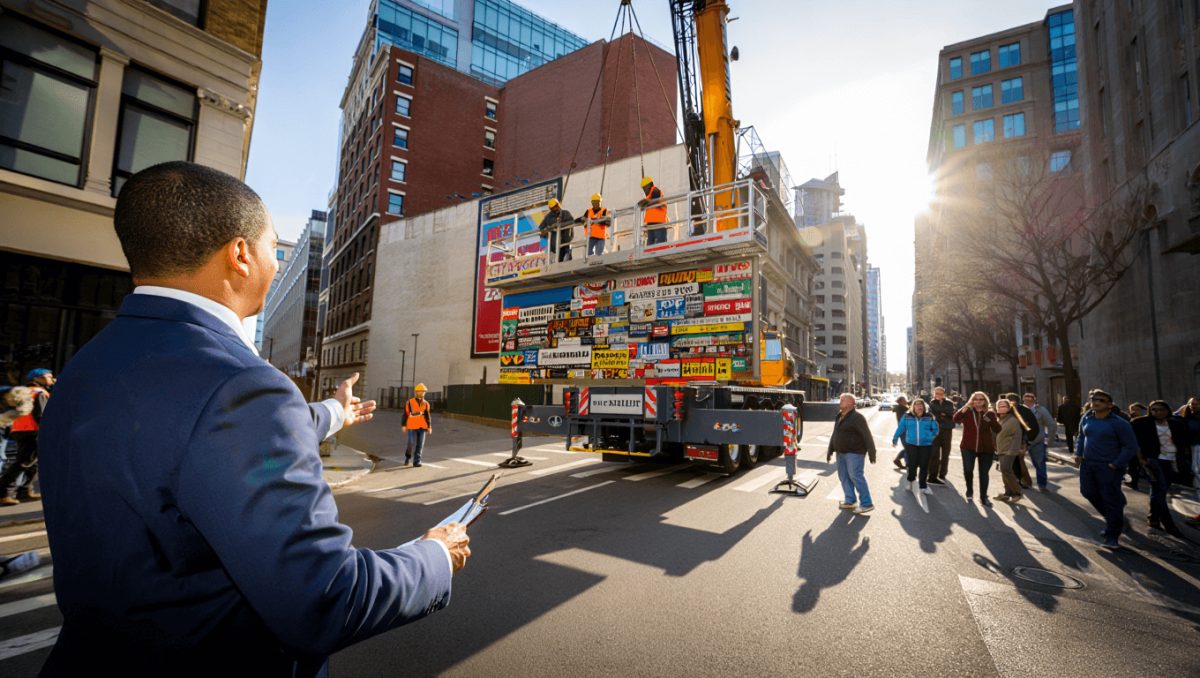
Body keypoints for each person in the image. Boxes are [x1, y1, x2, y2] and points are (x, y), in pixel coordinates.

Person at [37, 161, 471, 675]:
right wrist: (433, 556)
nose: (273, 256)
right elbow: (324, 599)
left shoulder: (86, 368)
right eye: (272, 245)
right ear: (241, 255)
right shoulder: (241, 384)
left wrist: (332, 412)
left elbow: (190, 442)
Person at [1074, 389, 1138, 549]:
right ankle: (1116, 520)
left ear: (1109, 405)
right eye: (1094, 400)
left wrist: (1116, 463)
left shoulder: (1119, 423)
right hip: (1088, 464)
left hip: (1109, 466)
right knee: (1088, 492)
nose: (1096, 402)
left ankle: (1112, 536)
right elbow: (1081, 436)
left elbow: (1130, 446)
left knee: (1110, 499)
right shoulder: (1086, 417)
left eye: (1101, 400)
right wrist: (1079, 453)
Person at [1131, 401, 1188, 536]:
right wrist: (1141, 459)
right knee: (1160, 489)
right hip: (1154, 460)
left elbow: (1183, 441)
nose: (1157, 412)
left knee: (1158, 490)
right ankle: (1169, 524)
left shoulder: (1176, 424)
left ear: (1167, 410)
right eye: (1154, 410)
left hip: (1171, 460)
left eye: (1161, 409)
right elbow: (1135, 442)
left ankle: (1153, 517)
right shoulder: (1141, 423)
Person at [0, 368, 54, 505]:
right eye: (49, 376)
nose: (52, 379)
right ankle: (4, 492)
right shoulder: (39, 393)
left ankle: (24, 491)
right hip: (33, 431)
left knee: (32, 462)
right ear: (38, 378)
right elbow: (41, 416)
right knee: (24, 462)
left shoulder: (24, 391)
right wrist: (47, 431)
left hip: (19, 430)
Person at [826, 393, 877, 514]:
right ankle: (850, 500)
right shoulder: (839, 416)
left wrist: (872, 452)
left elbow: (867, 435)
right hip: (841, 452)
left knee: (855, 476)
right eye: (840, 399)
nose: (840, 401)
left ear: (850, 403)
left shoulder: (857, 417)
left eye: (843, 400)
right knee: (843, 477)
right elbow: (835, 434)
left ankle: (867, 503)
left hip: (854, 453)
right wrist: (830, 450)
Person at [954, 391, 1002, 506]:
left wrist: (990, 420)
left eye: (981, 399)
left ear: (985, 401)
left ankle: (983, 496)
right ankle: (969, 490)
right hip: (968, 447)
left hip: (986, 448)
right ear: (972, 401)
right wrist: (965, 407)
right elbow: (955, 419)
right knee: (968, 470)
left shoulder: (990, 414)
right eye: (976, 399)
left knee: (984, 473)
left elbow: (997, 429)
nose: (978, 401)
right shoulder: (968, 412)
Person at [892, 398, 939, 496]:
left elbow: (935, 429)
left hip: (926, 445)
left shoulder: (929, 416)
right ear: (913, 406)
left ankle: (923, 486)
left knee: (924, 466)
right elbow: (901, 428)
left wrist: (930, 437)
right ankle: (910, 481)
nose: (919, 406)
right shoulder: (907, 416)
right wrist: (895, 439)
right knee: (912, 464)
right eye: (917, 404)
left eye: (921, 404)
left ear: (924, 406)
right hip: (911, 444)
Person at [993, 398, 1027, 503]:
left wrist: (1013, 450)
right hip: (1001, 449)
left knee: (1006, 469)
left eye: (1004, 406)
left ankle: (1018, 492)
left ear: (1008, 408)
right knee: (1004, 471)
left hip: (1009, 450)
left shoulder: (1012, 420)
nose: (1001, 408)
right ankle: (1008, 493)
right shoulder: (1000, 419)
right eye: (999, 406)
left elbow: (1017, 436)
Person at [1022, 392, 1057, 492]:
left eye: (1030, 399)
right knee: (1018, 463)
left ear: (1034, 400)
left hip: (1036, 441)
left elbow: (1052, 425)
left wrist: (1049, 442)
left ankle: (1042, 485)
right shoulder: (1020, 410)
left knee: (1039, 464)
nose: (1028, 401)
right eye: (1026, 399)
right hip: (1021, 441)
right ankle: (1022, 482)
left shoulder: (1041, 410)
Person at [1004, 393, 1035, 489]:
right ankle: (1021, 481)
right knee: (1018, 461)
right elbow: (1033, 427)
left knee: (1014, 462)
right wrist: (1028, 440)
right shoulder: (1025, 410)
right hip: (1020, 440)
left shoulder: (1008, 411)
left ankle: (1020, 481)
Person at [928, 386, 956, 485]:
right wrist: (943, 413)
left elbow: (951, 413)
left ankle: (942, 474)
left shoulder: (949, 403)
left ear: (944, 394)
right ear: (934, 394)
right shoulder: (931, 403)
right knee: (934, 454)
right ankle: (932, 474)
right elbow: (932, 415)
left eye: (940, 393)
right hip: (935, 431)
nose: (938, 395)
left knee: (945, 454)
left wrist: (941, 413)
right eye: (937, 393)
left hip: (947, 430)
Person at [403, 383, 433, 467]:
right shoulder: (410, 402)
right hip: (412, 426)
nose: (422, 393)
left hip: (422, 427)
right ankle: (407, 457)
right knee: (411, 442)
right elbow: (406, 414)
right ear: (417, 392)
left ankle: (417, 461)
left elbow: (427, 416)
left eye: (424, 391)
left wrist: (429, 427)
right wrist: (404, 425)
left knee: (420, 444)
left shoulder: (426, 403)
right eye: (421, 391)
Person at [539, 198, 574, 262]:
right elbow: (541, 228)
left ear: (558, 205)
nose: (555, 209)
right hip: (555, 244)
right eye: (553, 208)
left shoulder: (565, 213)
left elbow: (571, 222)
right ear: (550, 209)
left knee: (567, 255)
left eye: (556, 206)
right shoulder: (548, 217)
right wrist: (549, 229)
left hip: (565, 240)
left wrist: (559, 225)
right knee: (559, 260)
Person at [638, 176, 669, 245]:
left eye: (645, 188)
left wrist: (645, 202)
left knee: (660, 243)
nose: (644, 191)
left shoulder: (655, 190)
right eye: (643, 189)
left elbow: (654, 201)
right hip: (651, 223)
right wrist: (644, 202)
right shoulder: (649, 196)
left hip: (658, 222)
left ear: (650, 185)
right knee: (650, 244)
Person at [891, 395, 910, 470]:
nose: (906, 401)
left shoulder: (901, 408)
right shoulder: (902, 409)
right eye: (905, 400)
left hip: (904, 430)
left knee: (908, 447)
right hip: (904, 430)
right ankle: (908, 464)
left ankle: (897, 460)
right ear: (901, 401)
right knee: (908, 448)